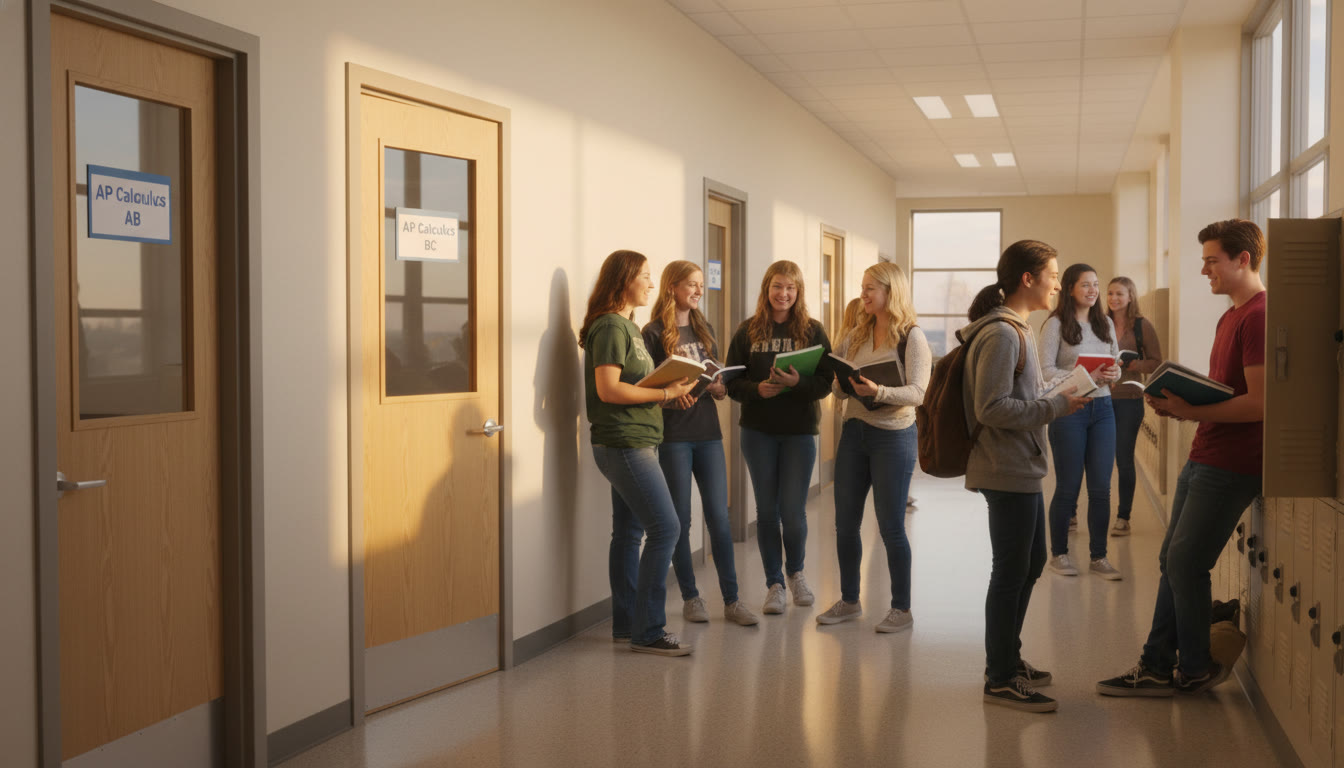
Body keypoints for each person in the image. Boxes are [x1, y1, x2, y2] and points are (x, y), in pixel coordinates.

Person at [1098, 219, 1267, 697]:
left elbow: (1260, 404)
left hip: (1232, 462)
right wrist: (1183, 398)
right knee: (1171, 559)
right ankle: (1156, 664)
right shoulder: (1230, 316)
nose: (1204, 270)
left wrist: (1190, 409)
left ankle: (1191, 667)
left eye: (1212, 261)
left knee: (1186, 563)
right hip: (1206, 453)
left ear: (1243, 259)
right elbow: (1230, 390)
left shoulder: (1258, 316)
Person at [962, 240, 1089, 712]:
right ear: (1027, 279)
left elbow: (1024, 394)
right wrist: (1056, 407)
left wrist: (1065, 391)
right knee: (1011, 572)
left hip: (1023, 464)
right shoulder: (1002, 334)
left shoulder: (1019, 329)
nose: (1058, 284)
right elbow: (991, 407)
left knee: (1031, 563)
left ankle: (1009, 659)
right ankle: (999, 677)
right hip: (1005, 466)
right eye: (1053, 275)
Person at [579, 250, 698, 656]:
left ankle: (627, 624)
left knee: (630, 534)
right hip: (624, 443)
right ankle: (648, 631)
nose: (651, 283)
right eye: (645, 276)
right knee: (666, 529)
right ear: (624, 279)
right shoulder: (611, 326)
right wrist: (665, 393)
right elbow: (609, 390)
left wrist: (670, 391)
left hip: (637, 439)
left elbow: (632, 386)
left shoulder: (628, 327)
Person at [642, 260, 759, 628]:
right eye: (691, 284)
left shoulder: (704, 328)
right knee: (680, 520)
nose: (698, 290)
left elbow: (714, 377)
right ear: (672, 287)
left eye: (699, 284)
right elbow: (647, 389)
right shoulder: (652, 333)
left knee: (720, 518)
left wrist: (720, 387)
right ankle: (691, 597)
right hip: (674, 436)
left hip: (709, 433)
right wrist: (669, 394)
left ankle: (732, 600)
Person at [816, 263, 930, 633]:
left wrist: (878, 391)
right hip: (854, 433)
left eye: (870, 288)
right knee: (845, 524)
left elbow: (918, 393)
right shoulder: (856, 334)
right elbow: (838, 387)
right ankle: (850, 600)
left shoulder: (912, 337)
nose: (863, 295)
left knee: (891, 526)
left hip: (893, 437)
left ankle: (901, 608)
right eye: (862, 287)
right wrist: (841, 384)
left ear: (890, 292)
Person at [726, 260, 834, 616]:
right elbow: (731, 382)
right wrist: (756, 389)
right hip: (758, 431)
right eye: (777, 286)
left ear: (798, 291)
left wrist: (797, 383)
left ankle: (796, 573)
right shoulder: (747, 331)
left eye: (790, 287)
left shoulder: (813, 331)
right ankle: (774, 584)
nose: (783, 294)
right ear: (767, 288)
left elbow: (825, 383)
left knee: (793, 511)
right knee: (767, 511)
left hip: (799, 432)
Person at [1039, 264, 1124, 580]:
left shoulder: (1105, 323)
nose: (1093, 290)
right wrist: (1084, 375)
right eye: (1085, 284)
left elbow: (1115, 363)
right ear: (1070, 288)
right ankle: (1059, 554)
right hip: (1070, 410)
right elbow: (1045, 371)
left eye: (1095, 284)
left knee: (1101, 488)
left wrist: (1114, 372)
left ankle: (1099, 557)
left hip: (1103, 409)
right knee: (1068, 487)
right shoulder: (1056, 324)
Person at [1106, 276, 1163, 536]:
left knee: (1124, 458)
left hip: (1129, 400)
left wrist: (1132, 364)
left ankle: (1123, 517)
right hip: (1101, 399)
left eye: (1119, 294)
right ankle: (1075, 512)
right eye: (1110, 293)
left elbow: (1156, 362)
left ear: (1130, 297)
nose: (1114, 298)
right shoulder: (1099, 324)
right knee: (1095, 458)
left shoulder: (1142, 326)